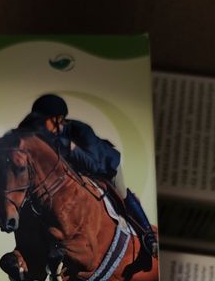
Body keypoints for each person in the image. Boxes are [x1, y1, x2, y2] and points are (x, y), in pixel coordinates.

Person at [18, 94, 157, 255]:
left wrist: (72, 149)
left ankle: (149, 236)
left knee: (122, 196)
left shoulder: (80, 130)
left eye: (43, 121)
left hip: (105, 166)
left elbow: (94, 167)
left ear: (58, 119)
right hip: (76, 175)